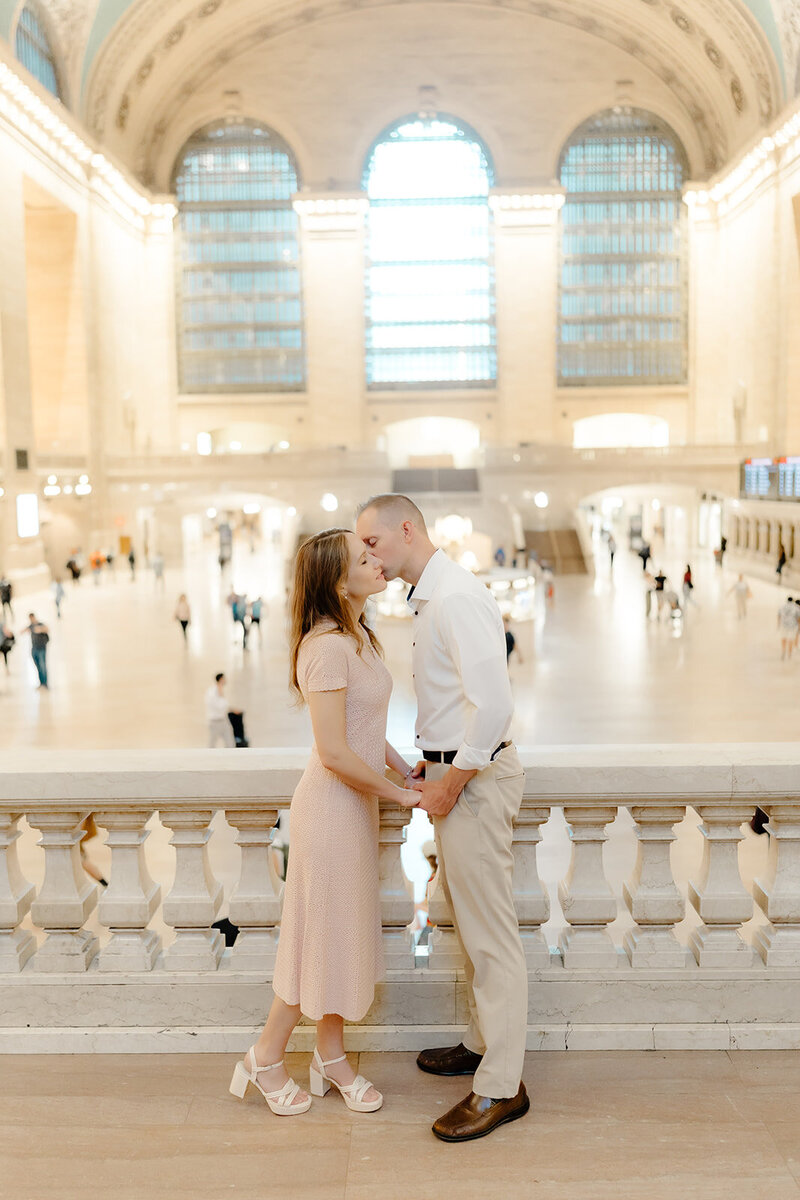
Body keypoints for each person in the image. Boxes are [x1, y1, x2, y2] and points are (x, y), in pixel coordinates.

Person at [357, 495, 529, 1143]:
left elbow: (492, 708)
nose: (367, 554)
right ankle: (486, 1044)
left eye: (373, 541)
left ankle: (501, 1087)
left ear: (408, 530)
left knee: (490, 934)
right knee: (467, 915)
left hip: (474, 782)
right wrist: (430, 768)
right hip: (452, 774)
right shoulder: (430, 597)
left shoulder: (454, 598)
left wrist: (451, 784)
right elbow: (455, 704)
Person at [230, 528, 416, 1118]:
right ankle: (264, 1056)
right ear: (338, 581)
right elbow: (333, 751)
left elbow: (363, 725)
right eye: (365, 559)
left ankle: (330, 1056)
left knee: (338, 936)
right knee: (316, 938)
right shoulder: (325, 646)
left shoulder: (357, 635)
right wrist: (397, 794)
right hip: (330, 809)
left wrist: (402, 766)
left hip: (352, 807)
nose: (378, 561)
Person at [206, 673, 236, 746]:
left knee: (230, 742)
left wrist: (233, 710)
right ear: (221, 679)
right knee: (212, 743)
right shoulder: (211, 692)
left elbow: (224, 705)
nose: (226, 680)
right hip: (215, 721)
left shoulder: (221, 690)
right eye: (224, 679)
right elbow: (218, 705)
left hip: (223, 720)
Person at [23, 612, 49, 688]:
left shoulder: (40, 624)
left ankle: (45, 683)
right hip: (34, 649)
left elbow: (47, 629)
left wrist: (40, 629)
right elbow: (23, 630)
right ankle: (41, 683)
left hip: (41, 648)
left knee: (43, 666)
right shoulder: (31, 626)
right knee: (38, 666)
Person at [777, 596, 798, 660]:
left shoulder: (782, 607)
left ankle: (783, 651)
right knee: (791, 640)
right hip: (793, 625)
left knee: (783, 638)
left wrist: (778, 624)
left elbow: (779, 616)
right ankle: (789, 653)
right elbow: (798, 618)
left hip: (784, 625)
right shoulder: (796, 608)